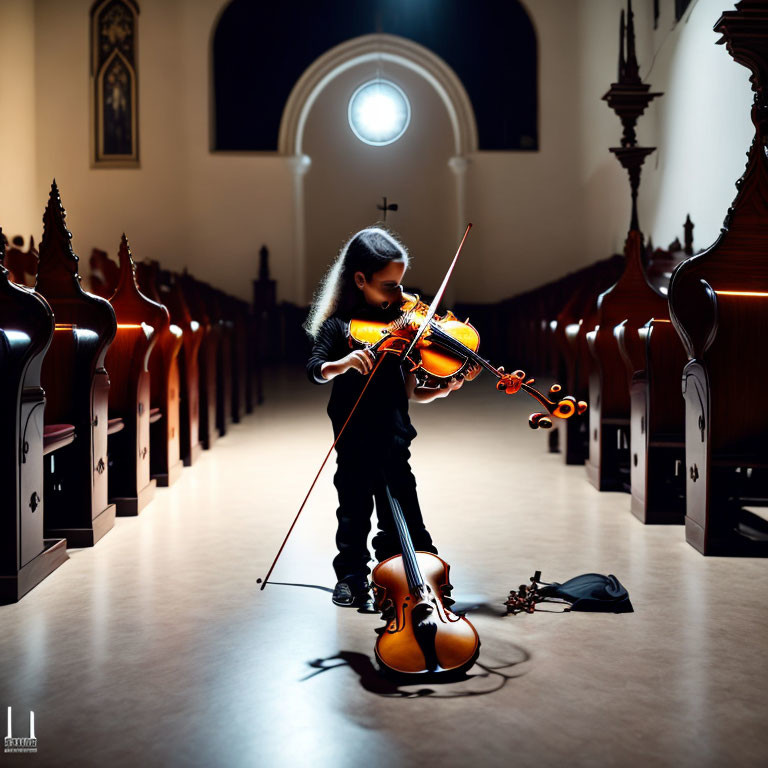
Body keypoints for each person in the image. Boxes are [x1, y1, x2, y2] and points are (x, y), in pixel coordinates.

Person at [305, 227, 475, 607]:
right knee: (353, 511)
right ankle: (350, 576)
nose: (400, 296)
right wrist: (343, 363)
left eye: (401, 285)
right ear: (360, 280)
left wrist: (445, 388)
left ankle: (413, 571)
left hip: (395, 436)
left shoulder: (405, 327)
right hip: (353, 436)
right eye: (388, 286)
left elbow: (412, 391)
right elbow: (315, 369)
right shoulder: (340, 328)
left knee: (405, 508)